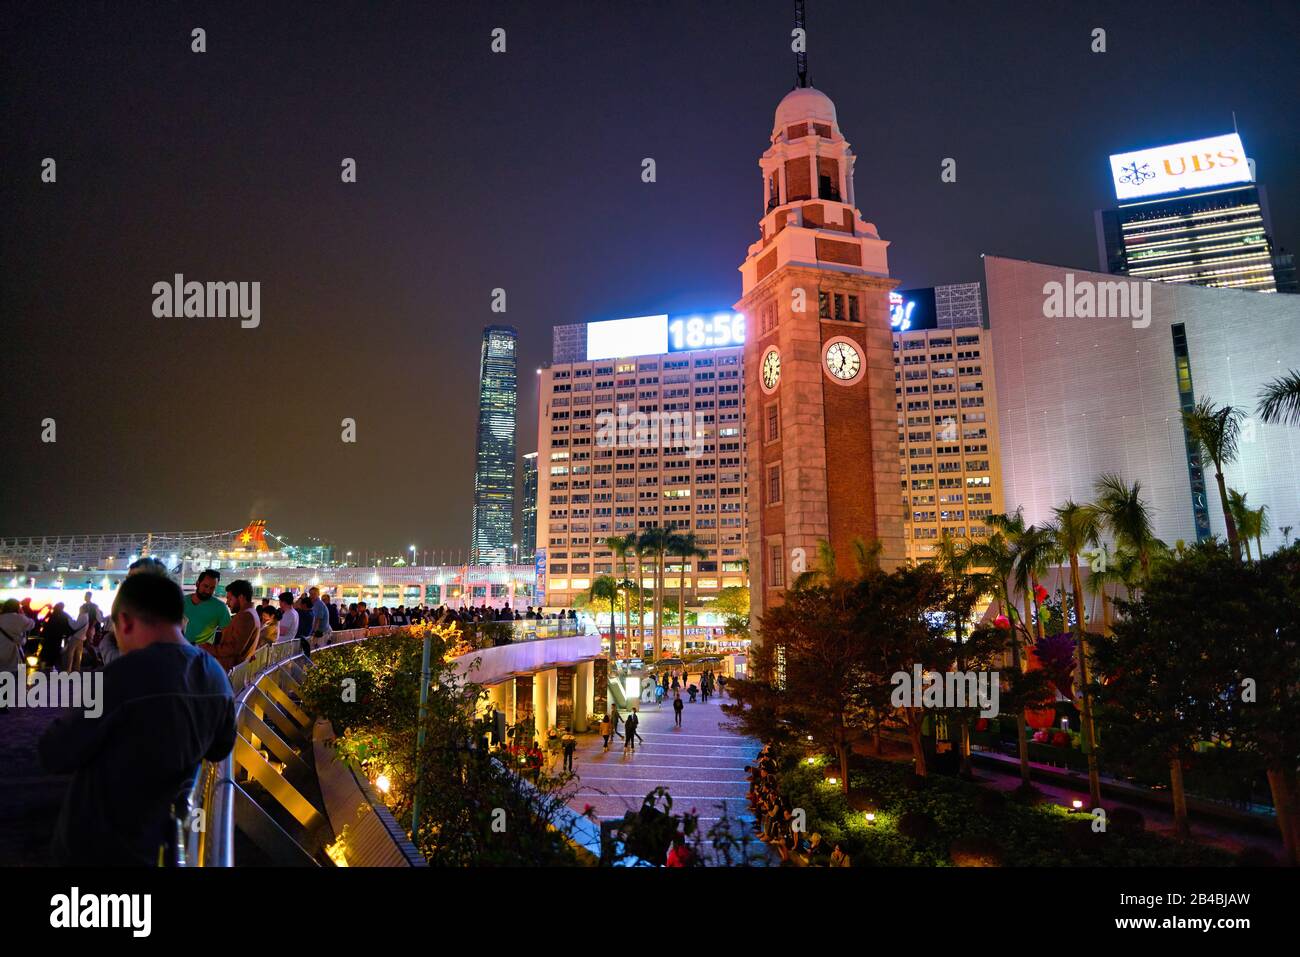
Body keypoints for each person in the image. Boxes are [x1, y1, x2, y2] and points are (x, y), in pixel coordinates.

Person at [38, 572, 236, 865]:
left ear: (126, 621)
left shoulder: (122, 676)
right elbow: (221, 748)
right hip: (170, 838)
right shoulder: (215, 677)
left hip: (100, 846)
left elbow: (54, 752)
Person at [203, 579, 260, 671]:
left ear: (241, 597)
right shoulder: (250, 613)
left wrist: (207, 648)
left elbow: (234, 648)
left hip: (229, 671)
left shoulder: (246, 616)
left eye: (230, 598)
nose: (227, 602)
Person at [183, 569, 230, 647]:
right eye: (206, 586)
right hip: (178, 650)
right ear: (197, 583)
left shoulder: (220, 607)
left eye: (212, 588)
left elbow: (228, 634)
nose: (208, 591)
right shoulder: (181, 601)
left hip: (202, 654)